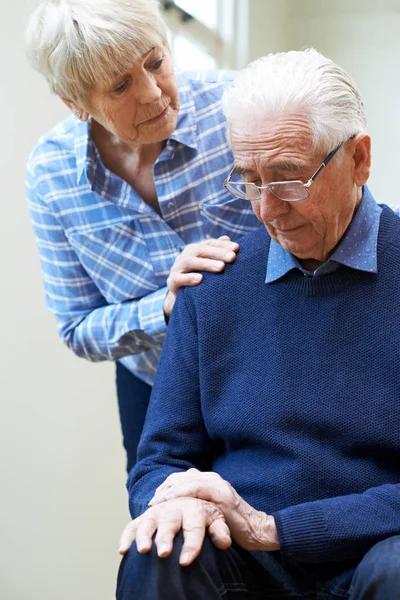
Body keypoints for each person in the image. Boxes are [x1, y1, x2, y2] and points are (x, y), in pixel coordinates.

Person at [117, 49, 400, 599]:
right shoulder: (212, 286)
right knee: (161, 552)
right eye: (248, 180)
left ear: (359, 160)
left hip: (381, 547)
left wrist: (278, 530)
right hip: (242, 560)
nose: (267, 210)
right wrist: (178, 501)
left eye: (289, 179)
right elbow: (158, 461)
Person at [25, 0, 260, 471]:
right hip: (157, 388)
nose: (153, 93)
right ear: (74, 102)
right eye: (120, 86)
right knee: (162, 534)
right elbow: (77, 328)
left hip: (271, 366)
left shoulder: (243, 105)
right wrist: (164, 307)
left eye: (156, 62)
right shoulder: (50, 175)